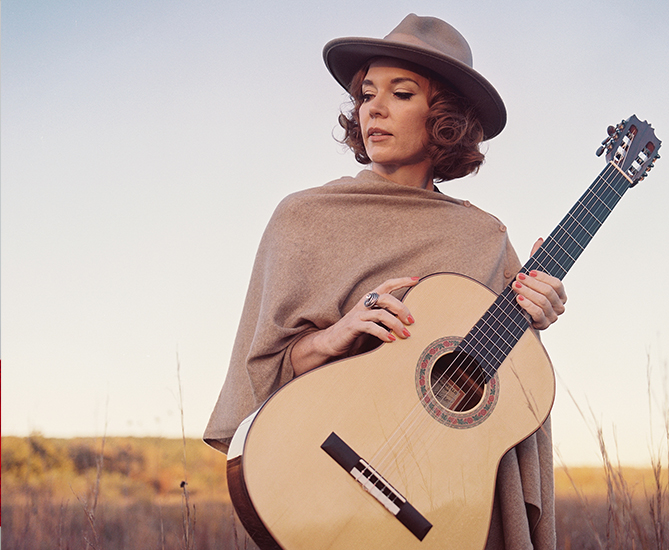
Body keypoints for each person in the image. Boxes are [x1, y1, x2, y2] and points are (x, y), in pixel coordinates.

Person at [205, 14, 567, 550]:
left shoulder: (484, 237)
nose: (373, 107)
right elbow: (260, 373)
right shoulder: (304, 217)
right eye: (366, 93)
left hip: (442, 508)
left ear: (444, 117)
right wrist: (333, 337)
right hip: (325, 486)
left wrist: (537, 312)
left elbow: (505, 390)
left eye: (401, 93)